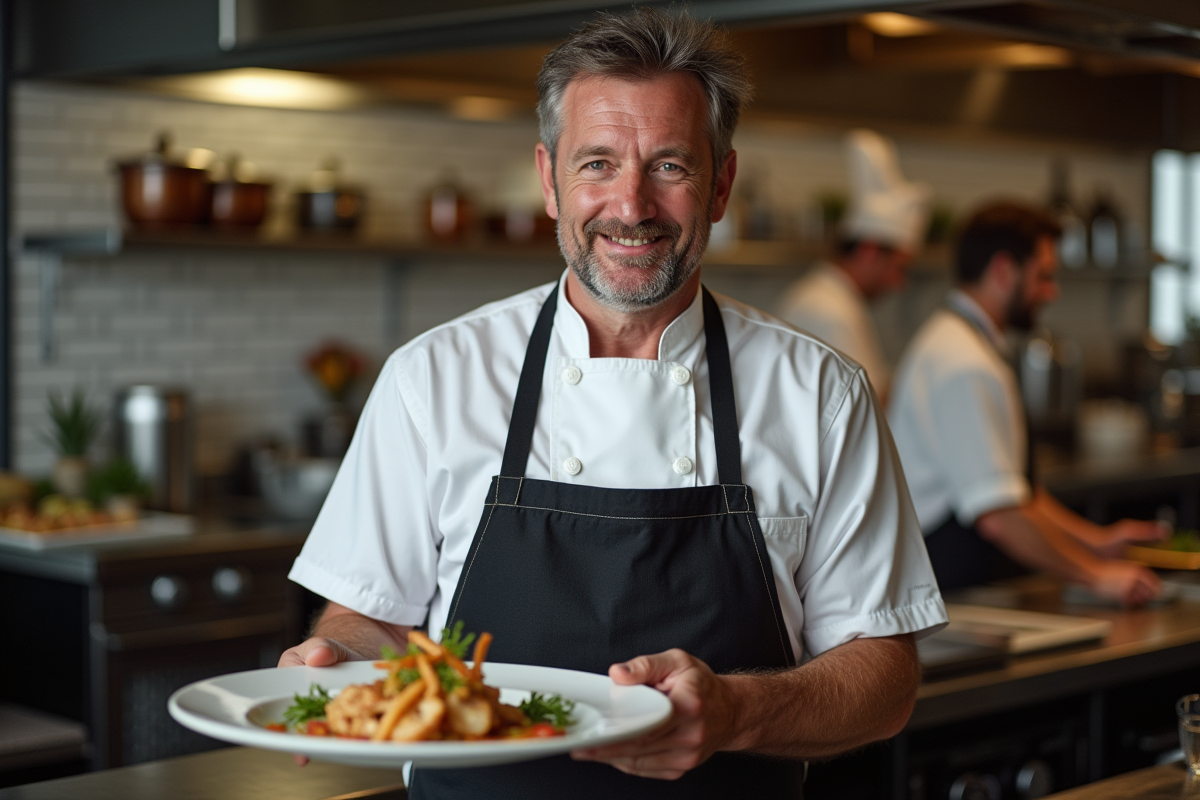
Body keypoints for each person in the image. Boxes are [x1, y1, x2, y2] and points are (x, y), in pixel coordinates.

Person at [281, 9, 947, 798]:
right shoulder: (431, 379)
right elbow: (371, 618)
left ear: (721, 185)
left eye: (670, 166)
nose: (631, 206)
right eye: (597, 163)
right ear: (548, 180)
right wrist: (340, 662)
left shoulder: (820, 393)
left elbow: (884, 678)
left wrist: (736, 712)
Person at [888, 201, 1164, 605]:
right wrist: (1097, 576)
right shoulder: (962, 362)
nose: (1052, 292)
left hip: (967, 587)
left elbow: (1016, 493)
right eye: (1044, 277)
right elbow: (1000, 516)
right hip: (949, 599)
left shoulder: (963, 343)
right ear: (1004, 271)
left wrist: (1096, 543)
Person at [777, 129, 930, 403]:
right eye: (898, 268)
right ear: (869, 251)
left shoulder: (839, 301)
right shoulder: (827, 310)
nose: (900, 282)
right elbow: (861, 407)